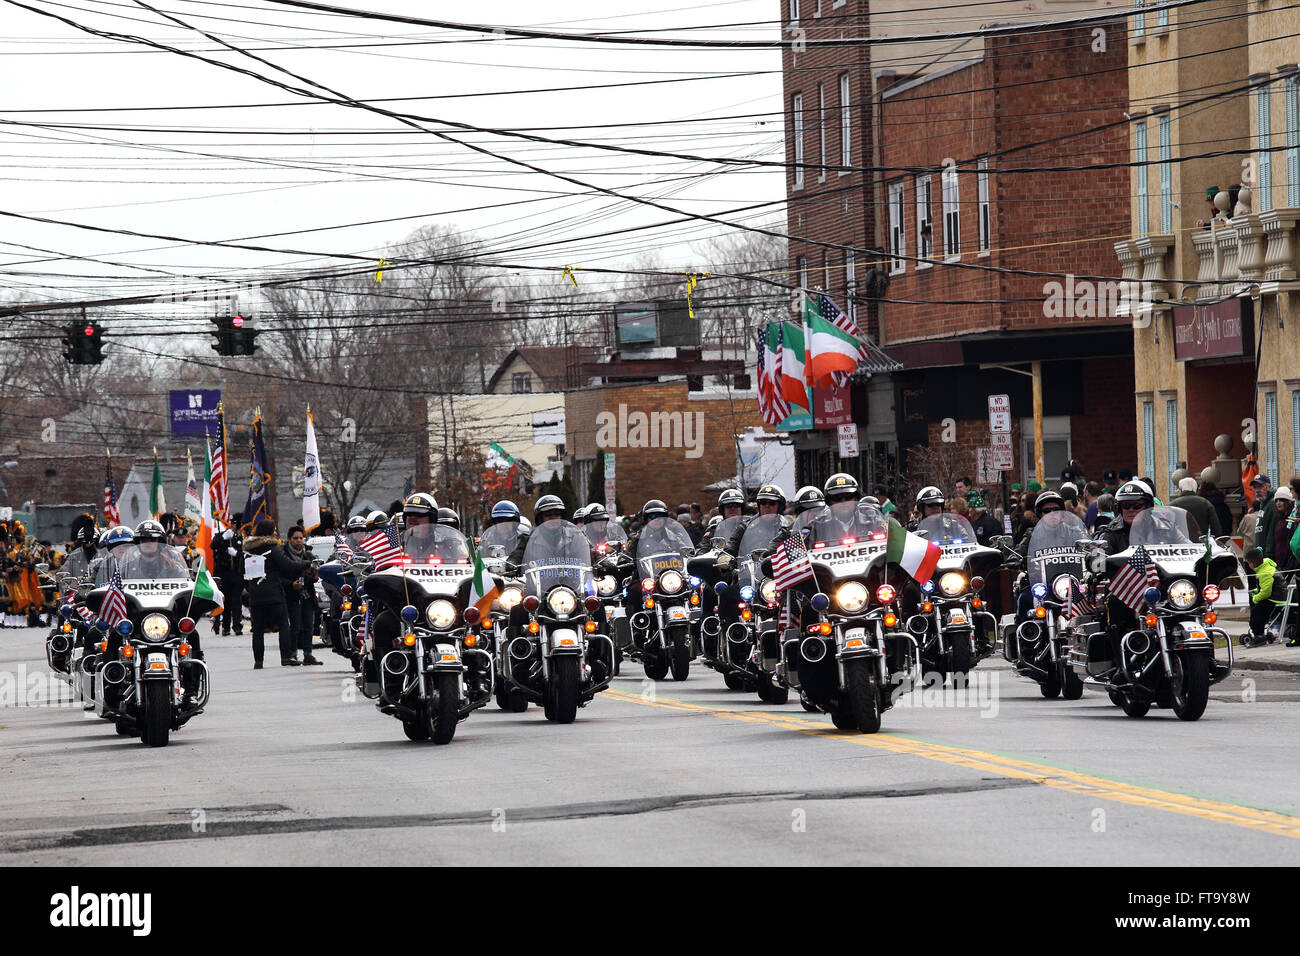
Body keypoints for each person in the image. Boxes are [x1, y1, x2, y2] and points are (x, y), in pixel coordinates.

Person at [244, 518, 313, 669]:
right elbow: (288, 566)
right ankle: (286, 657)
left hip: (256, 596)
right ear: (269, 532)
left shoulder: (247, 551)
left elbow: (241, 573)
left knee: (258, 630)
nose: (276, 532)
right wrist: (306, 564)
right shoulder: (273, 549)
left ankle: (258, 661)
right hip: (274, 594)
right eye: (274, 530)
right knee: (284, 625)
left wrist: (252, 589)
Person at [283, 526, 322, 665]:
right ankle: (292, 654)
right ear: (289, 539)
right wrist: (291, 584)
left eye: (301, 538)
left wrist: (314, 575)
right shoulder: (283, 554)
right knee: (294, 626)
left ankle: (308, 654)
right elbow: (279, 576)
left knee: (308, 625)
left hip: (307, 594)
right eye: (295, 538)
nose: (299, 541)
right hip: (291, 595)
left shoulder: (308, 554)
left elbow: (315, 574)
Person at [1243, 547, 1284, 647]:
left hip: (1275, 598)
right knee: (1259, 608)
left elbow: (1266, 592)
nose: (1249, 565)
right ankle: (1261, 633)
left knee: (1257, 612)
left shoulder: (1264, 572)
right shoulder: (1263, 568)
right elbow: (1264, 586)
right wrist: (1256, 591)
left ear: (1253, 563)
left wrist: (1255, 598)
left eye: (1248, 563)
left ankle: (1259, 635)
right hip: (1274, 595)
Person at [213, 512, 245, 638]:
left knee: (237, 601)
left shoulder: (241, 538)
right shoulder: (222, 535)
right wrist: (223, 538)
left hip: (236, 573)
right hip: (224, 573)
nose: (233, 525)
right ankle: (225, 626)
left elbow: (246, 554)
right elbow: (213, 546)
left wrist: (237, 554)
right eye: (231, 523)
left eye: (235, 523)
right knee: (226, 601)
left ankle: (237, 626)